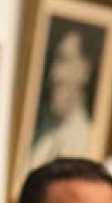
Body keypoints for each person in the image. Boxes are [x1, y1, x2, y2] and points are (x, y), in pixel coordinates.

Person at [28, 29, 96, 170]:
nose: (54, 75)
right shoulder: (44, 142)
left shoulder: (87, 138)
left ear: (85, 70)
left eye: (63, 60)